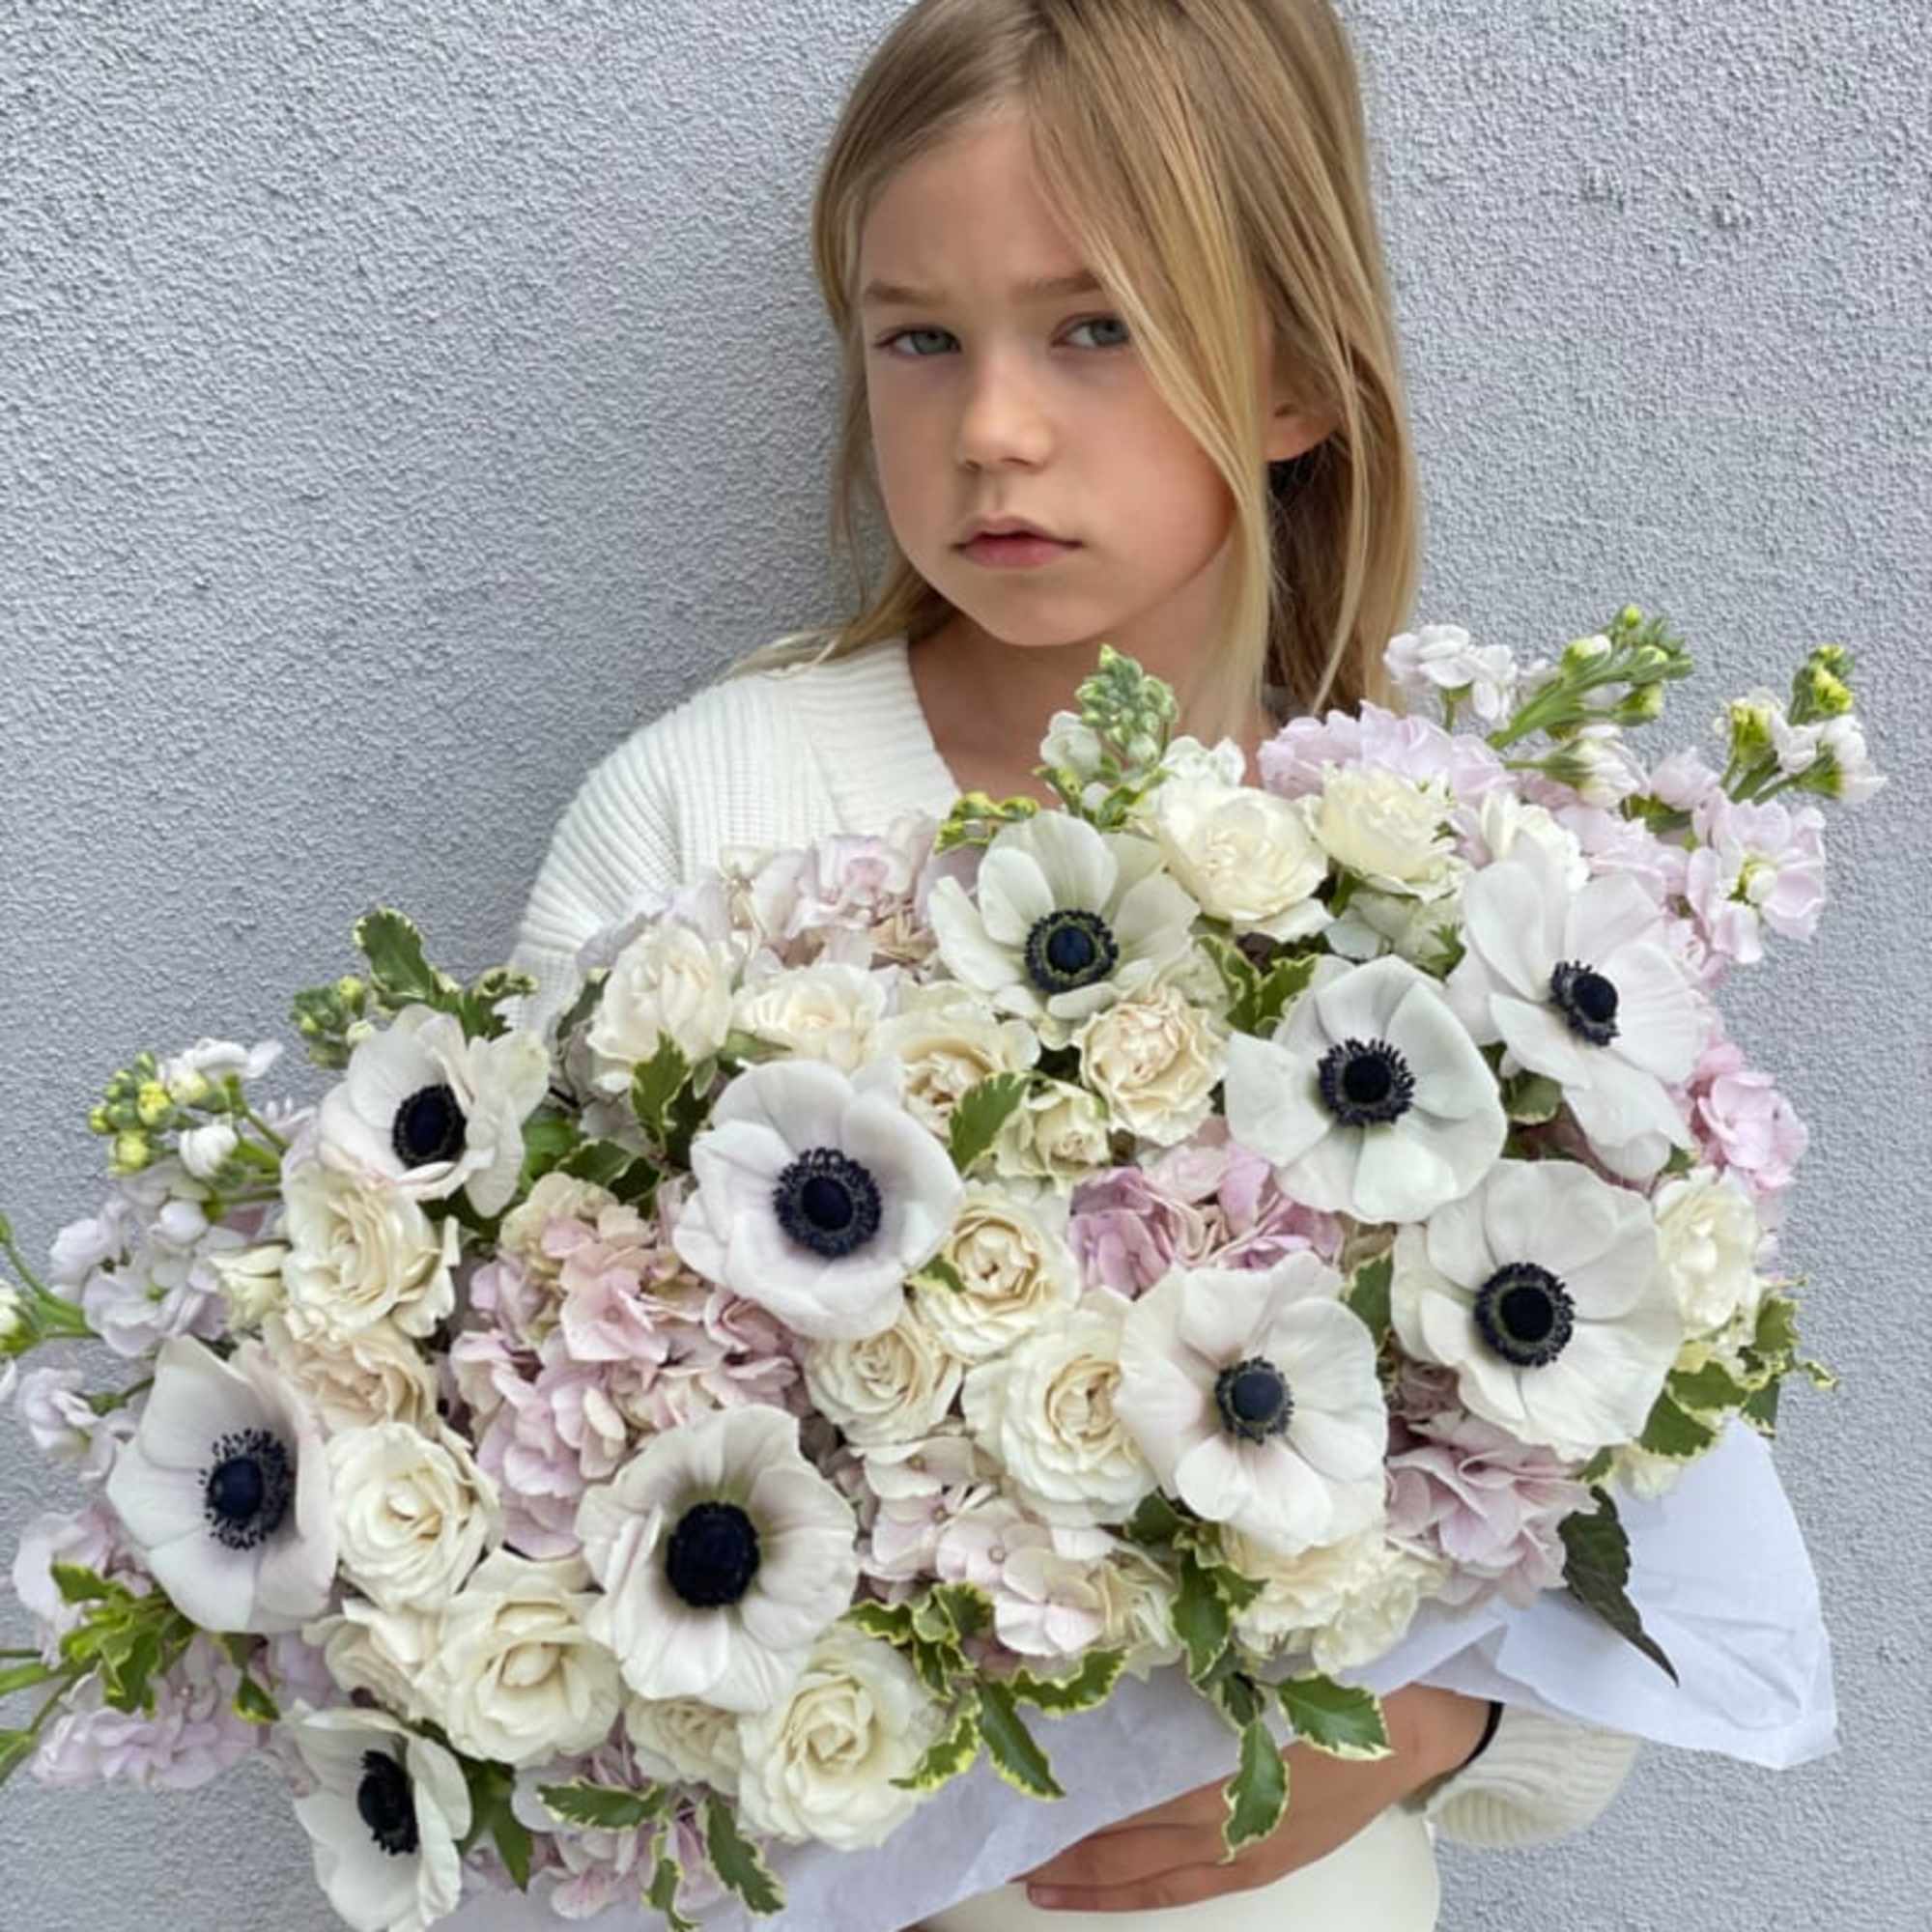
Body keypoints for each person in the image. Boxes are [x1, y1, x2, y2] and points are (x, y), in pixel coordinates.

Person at [501, 2, 1642, 1924]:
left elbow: (1626, 1565)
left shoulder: (1450, 886)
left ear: (1286, 370)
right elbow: (504, 1472)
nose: (993, 427)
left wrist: (1418, 1736)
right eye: (916, 338)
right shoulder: (708, 809)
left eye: (1093, 325)